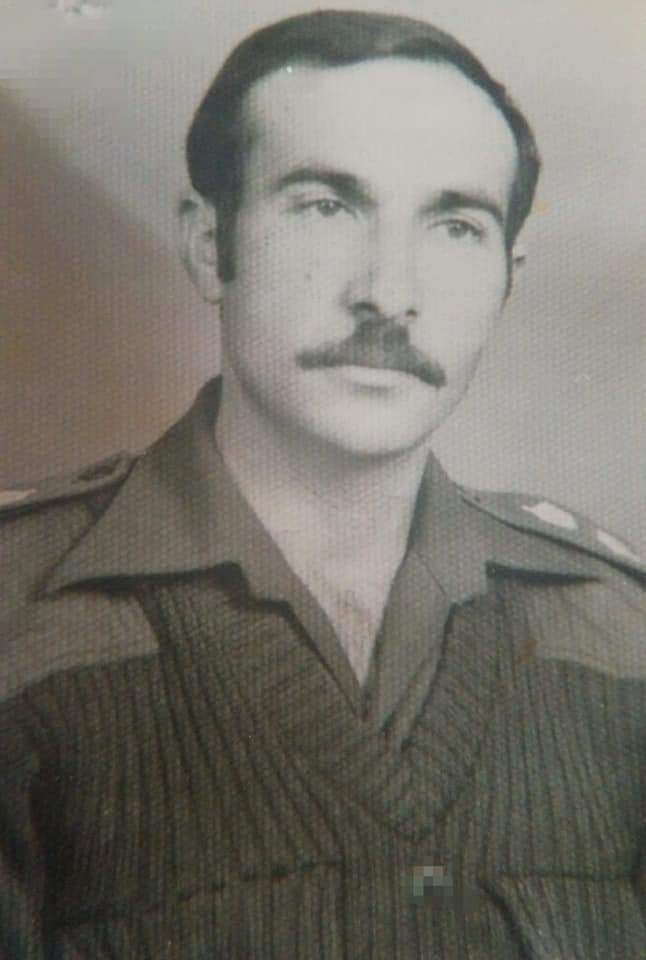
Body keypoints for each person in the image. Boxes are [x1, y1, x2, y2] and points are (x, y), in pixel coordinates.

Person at [1, 10, 644, 959]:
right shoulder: (17, 622)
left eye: (455, 226)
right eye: (325, 207)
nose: (388, 293)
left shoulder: (620, 637)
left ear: (506, 279)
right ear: (211, 245)